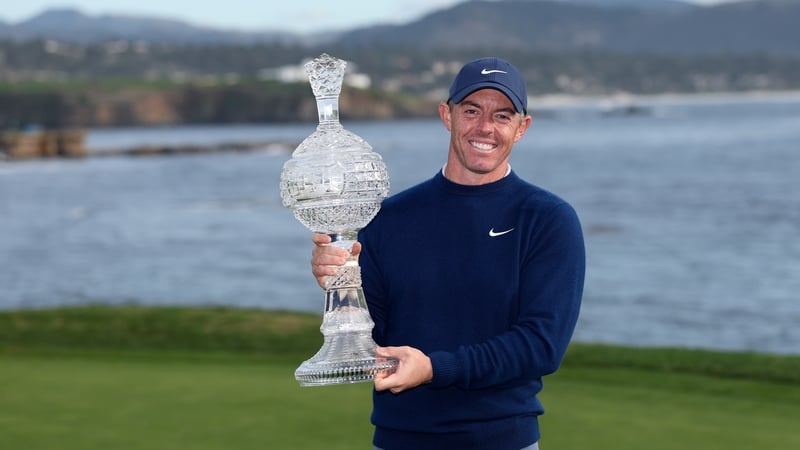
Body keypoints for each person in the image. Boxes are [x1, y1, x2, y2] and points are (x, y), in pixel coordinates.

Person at [310, 56, 585, 450]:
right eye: (471, 110)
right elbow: (370, 340)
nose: (485, 127)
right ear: (447, 115)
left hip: (503, 440)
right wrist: (337, 280)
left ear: (522, 128)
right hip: (400, 440)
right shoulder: (388, 218)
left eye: (502, 115)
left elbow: (542, 346)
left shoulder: (547, 219)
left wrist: (435, 369)